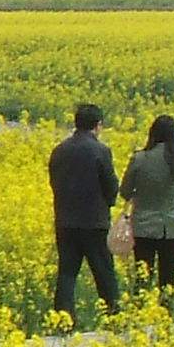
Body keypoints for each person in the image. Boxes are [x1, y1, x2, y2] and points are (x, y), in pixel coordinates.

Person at [48, 103, 123, 322]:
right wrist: (109, 203)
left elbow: (54, 182)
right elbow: (110, 185)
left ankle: (63, 320)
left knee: (67, 273)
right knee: (103, 271)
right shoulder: (101, 151)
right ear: (98, 125)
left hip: (65, 221)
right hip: (94, 221)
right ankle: (113, 317)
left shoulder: (59, 150)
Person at [121, 113, 174, 293]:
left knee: (143, 275)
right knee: (168, 277)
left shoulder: (139, 158)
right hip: (172, 226)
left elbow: (125, 191)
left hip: (144, 226)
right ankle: (166, 307)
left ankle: (141, 307)